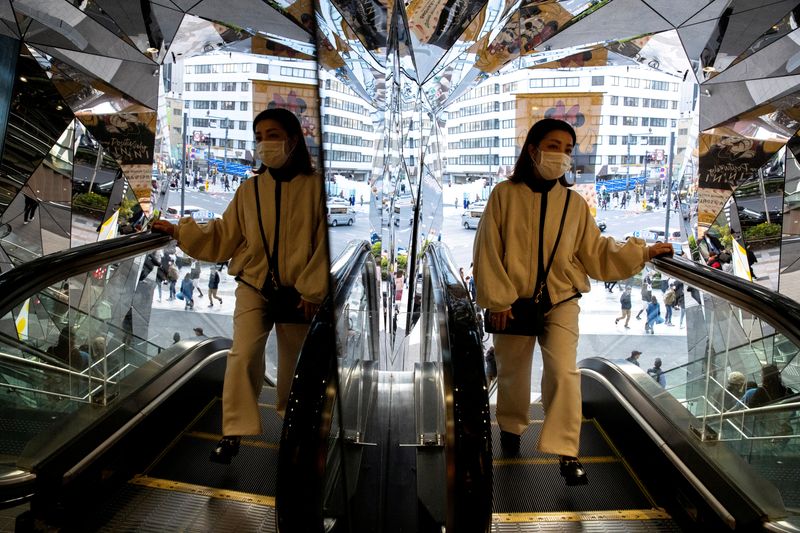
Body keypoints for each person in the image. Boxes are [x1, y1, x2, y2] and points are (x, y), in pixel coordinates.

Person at [472, 118, 672, 486]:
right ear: (532, 149)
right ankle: (512, 428)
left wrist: (643, 252)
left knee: (565, 372)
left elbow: (596, 250)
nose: (561, 155)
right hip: (512, 302)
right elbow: (487, 249)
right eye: (553, 146)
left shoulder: (574, 203)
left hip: (562, 298)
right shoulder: (504, 194)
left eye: (567, 149)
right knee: (513, 371)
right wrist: (497, 301)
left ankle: (567, 453)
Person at [152, 107, 329, 464]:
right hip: (253, 284)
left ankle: (292, 422)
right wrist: (178, 229)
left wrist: (313, 290)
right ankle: (232, 432)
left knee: (294, 363)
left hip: (299, 295)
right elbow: (225, 233)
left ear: (293, 140)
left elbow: (323, 241)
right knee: (243, 354)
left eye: (273, 135)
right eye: (260, 137)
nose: (265, 144)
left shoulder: (314, 188)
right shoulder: (250, 189)